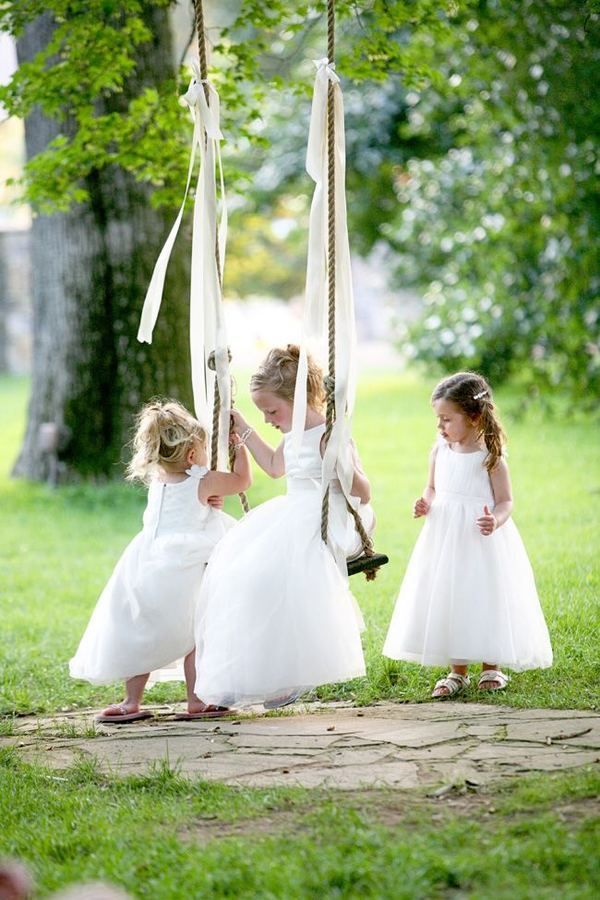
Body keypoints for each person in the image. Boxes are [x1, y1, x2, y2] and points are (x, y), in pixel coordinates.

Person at [193, 344, 375, 710]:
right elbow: (276, 467)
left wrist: (338, 464)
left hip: (332, 518)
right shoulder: (293, 434)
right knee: (241, 572)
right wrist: (243, 431)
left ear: (300, 398)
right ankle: (256, 675)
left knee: (272, 572)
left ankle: (284, 675)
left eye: (271, 410)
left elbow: (364, 492)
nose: (267, 418)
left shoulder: (330, 434)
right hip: (294, 513)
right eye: (261, 412)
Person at [69, 399, 251, 721]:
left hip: (147, 569)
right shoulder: (203, 480)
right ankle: (196, 701)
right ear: (193, 455)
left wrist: (206, 504)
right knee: (196, 636)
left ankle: (130, 701)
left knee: (143, 635)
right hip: (182, 574)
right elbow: (241, 482)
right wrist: (240, 449)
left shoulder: (158, 482)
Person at [383, 371, 552, 698]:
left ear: (474, 417)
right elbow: (432, 487)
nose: (440, 427)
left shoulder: (491, 458)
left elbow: (505, 501)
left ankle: (492, 666)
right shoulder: (439, 451)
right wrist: (425, 502)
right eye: (438, 419)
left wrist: (496, 520)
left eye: (446, 419)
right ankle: (456, 671)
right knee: (450, 596)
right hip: (445, 538)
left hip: (481, 539)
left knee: (484, 596)